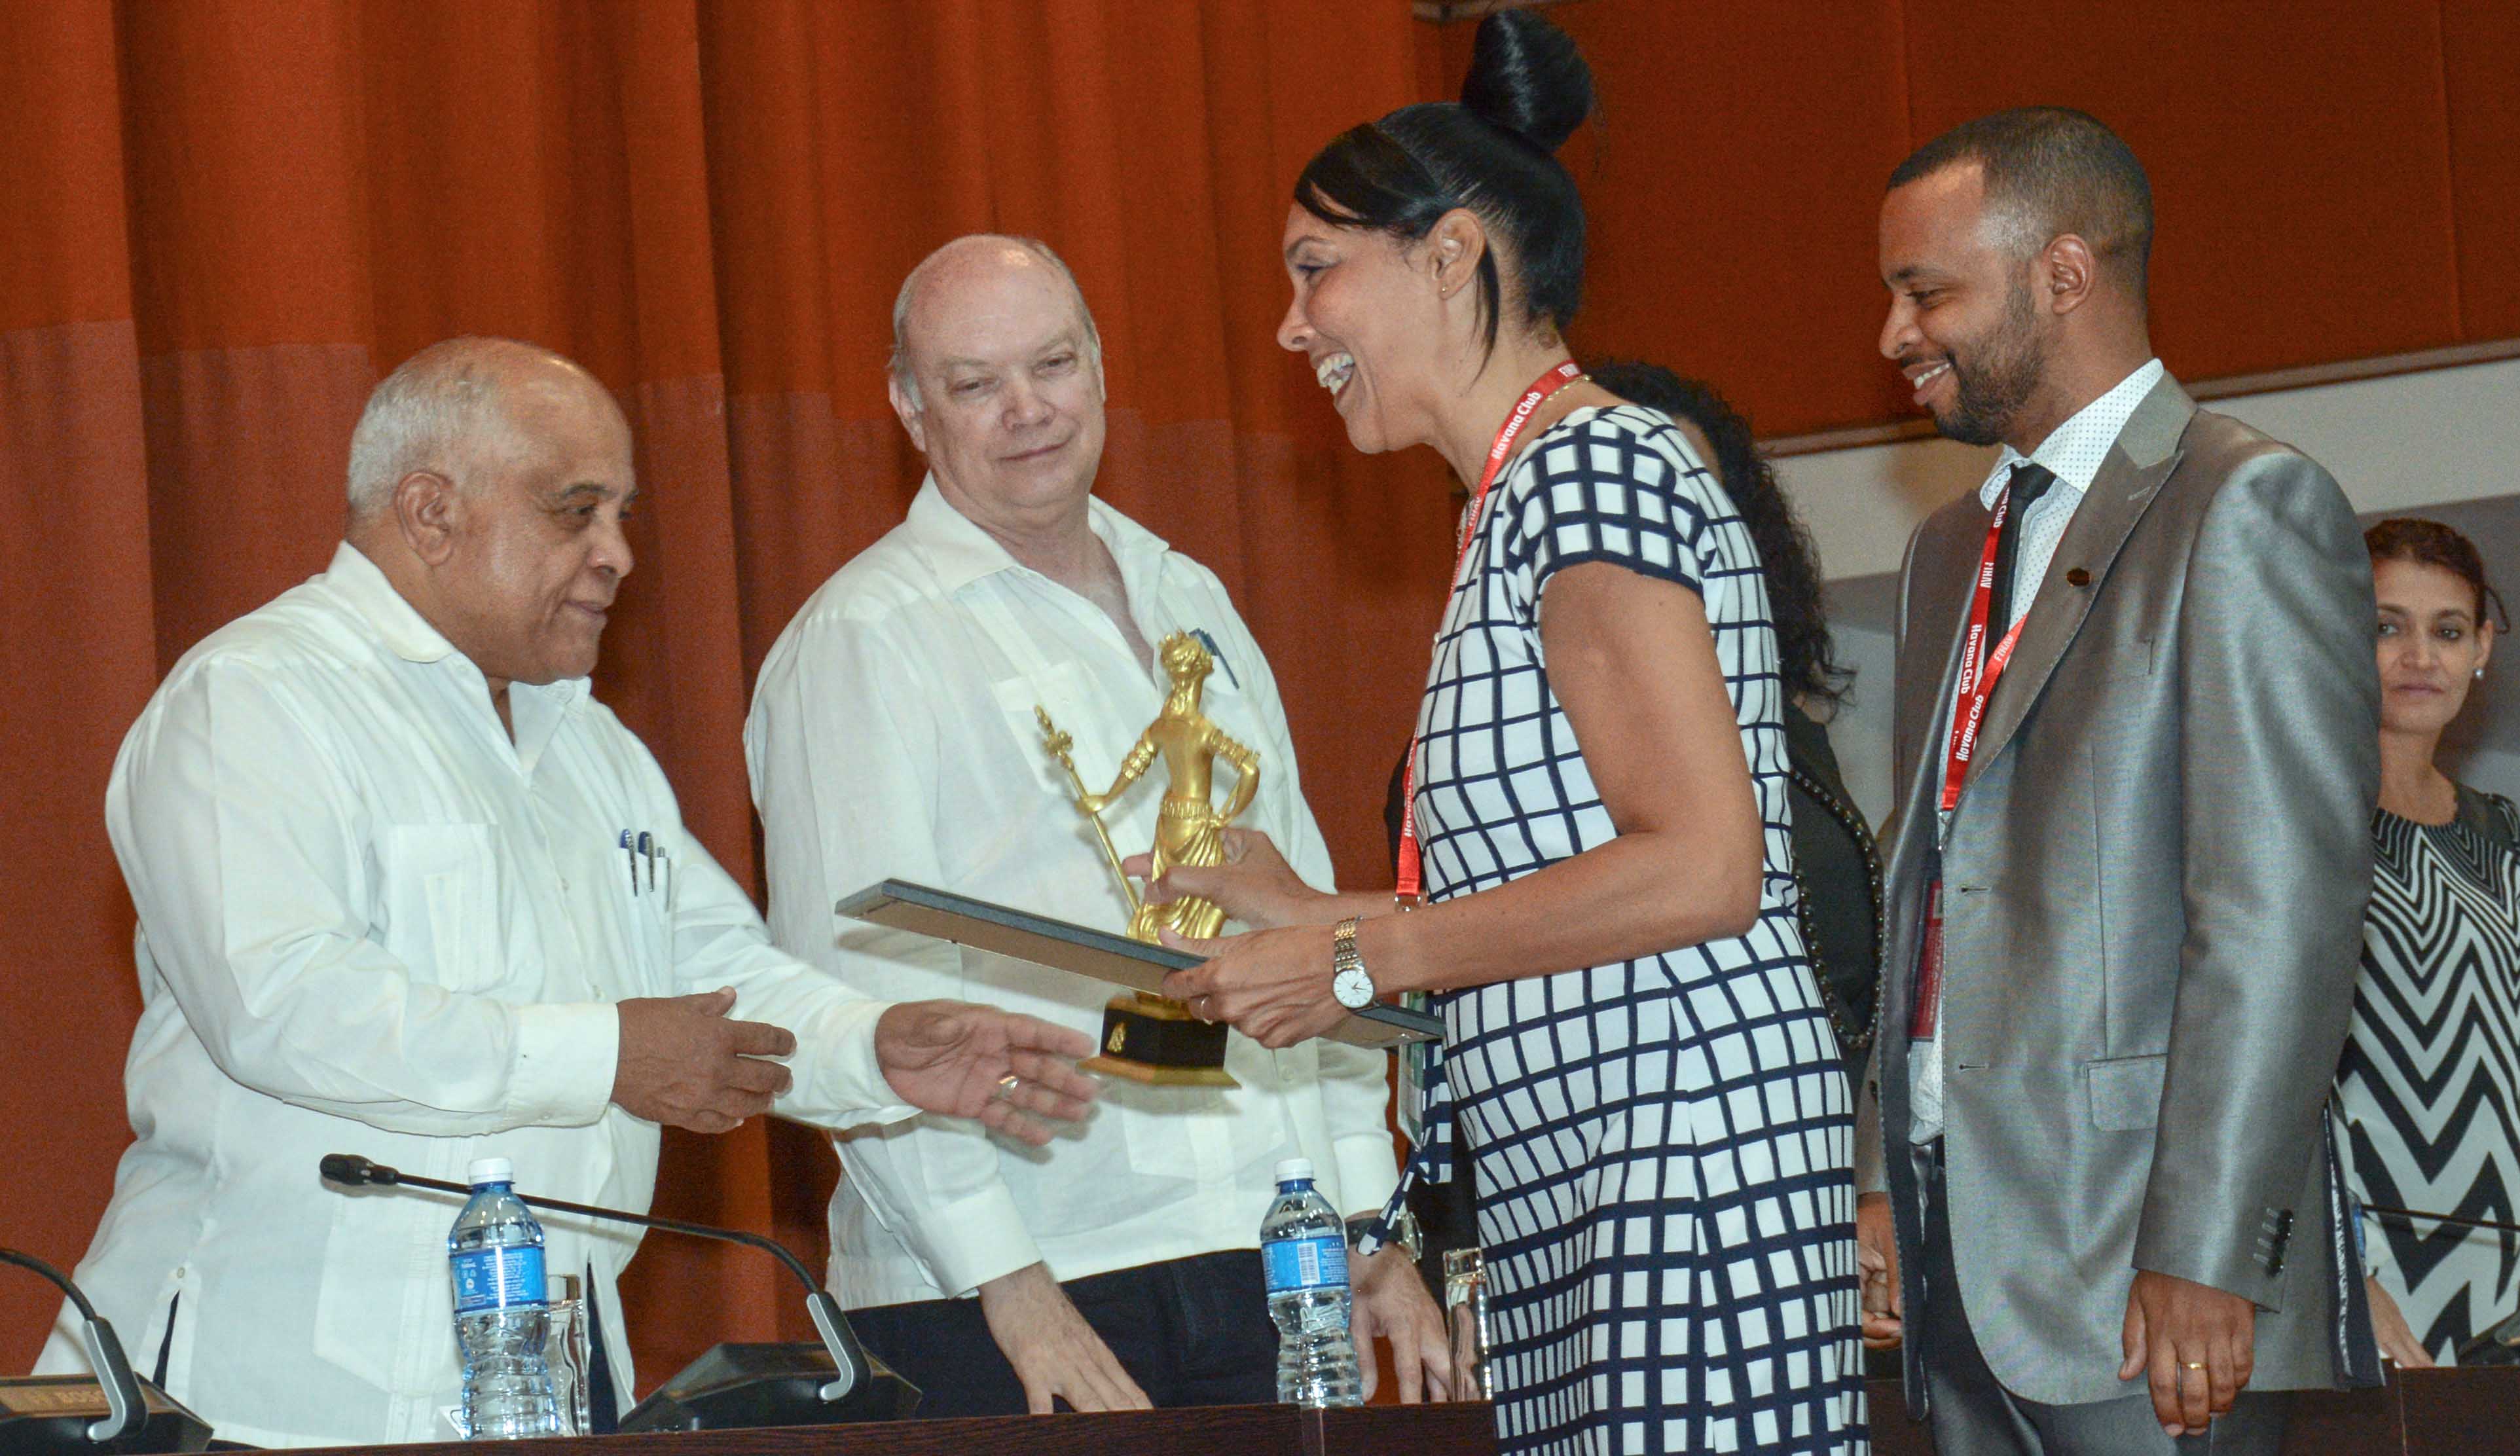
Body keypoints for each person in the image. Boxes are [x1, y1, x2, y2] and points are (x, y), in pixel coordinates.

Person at [33, 337, 1099, 1449]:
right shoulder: (252, 700)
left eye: (622, 514)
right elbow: (286, 1003)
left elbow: (713, 976)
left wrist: (872, 1047)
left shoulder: (590, 745)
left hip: (545, 1386)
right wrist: (607, 1054)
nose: (616, 555)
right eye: (574, 511)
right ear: (430, 511)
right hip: (266, 1397)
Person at [1152, 13, 1864, 1453]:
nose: (1292, 327)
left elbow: (1702, 869)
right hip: (1591, 1188)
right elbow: (1565, 883)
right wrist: (1317, 919)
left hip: (1687, 1171)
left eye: (1313, 269)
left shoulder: (1589, 468)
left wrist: (1356, 950)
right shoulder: (1518, 501)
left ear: (1450, 254)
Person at [744, 235, 1446, 1417]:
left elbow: (1308, 930)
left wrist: (1368, 1218)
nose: (1027, 409)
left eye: (1053, 364)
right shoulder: (862, 640)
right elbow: (849, 996)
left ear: (1101, 368)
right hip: (1014, 1285)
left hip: (1262, 1248)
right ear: (910, 407)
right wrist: (1008, 1287)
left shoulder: (1188, 591)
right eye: (975, 384)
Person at [1852, 109, 2381, 1454]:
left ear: (2062, 275)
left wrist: (2210, 1247)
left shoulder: (2241, 505)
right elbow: (1931, 881)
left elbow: (2276, 917)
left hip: (2147, 1281)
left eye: (1926, 293)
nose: (1894, 336)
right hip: (1953, 1249)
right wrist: (1880, 1177)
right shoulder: (1941, 552)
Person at [1587, 361, 1882, 1094]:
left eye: (1707, 502)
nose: (1686, 533)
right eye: (1649, 506)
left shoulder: (1776, 714)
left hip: (1818, 1144)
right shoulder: (1535, 738)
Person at [2335, 518, 2520, 1366]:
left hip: (2510, 1279)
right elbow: (2254, 1068)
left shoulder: (2497, 827)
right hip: (2364, 1271)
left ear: (2481, 646)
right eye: (2386, 626)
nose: (2419, 656)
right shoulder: (2300, 819)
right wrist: (2336, 1270)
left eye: (2446, 631)